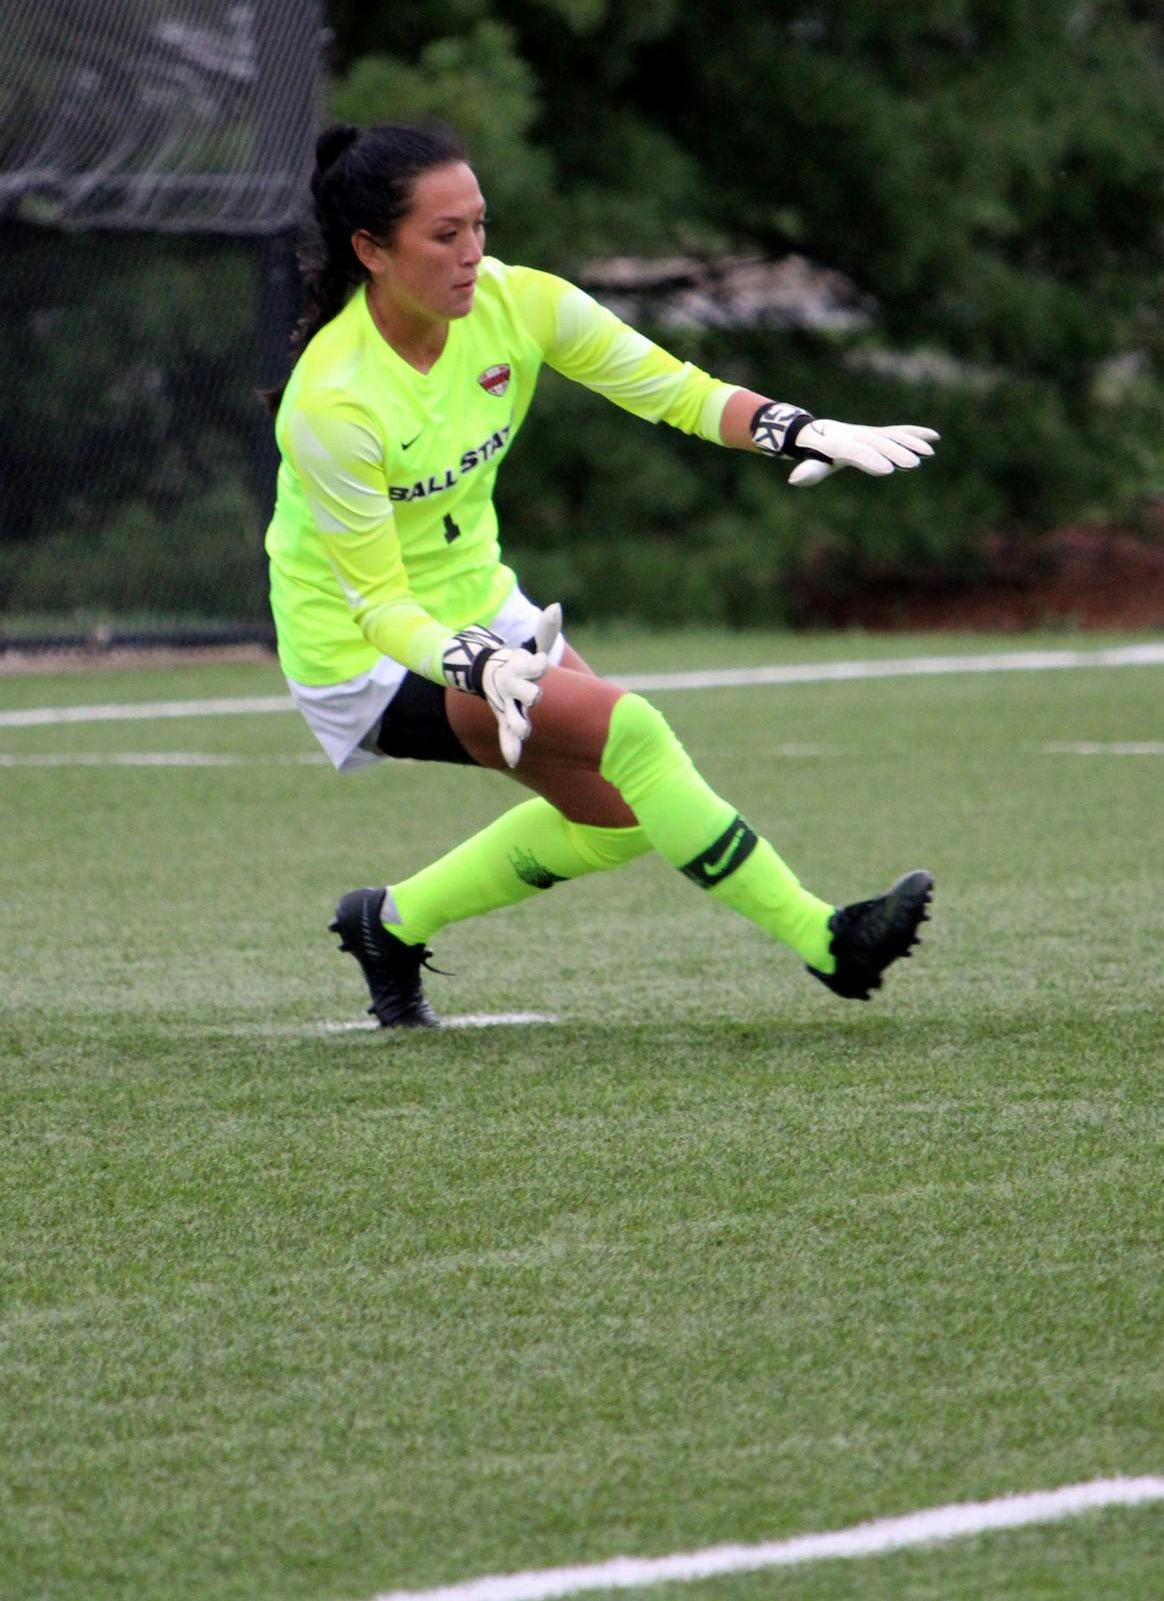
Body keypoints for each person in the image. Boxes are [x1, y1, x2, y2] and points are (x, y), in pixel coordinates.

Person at [264, 120, 940, 1028]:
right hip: (366, 657)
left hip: (481, 609)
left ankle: (387, 923)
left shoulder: (518, 304)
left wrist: (798, 428)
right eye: (444, 234)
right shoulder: (332, 399)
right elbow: (381, 605)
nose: (472, 253)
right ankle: (829, 943)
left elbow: (675, 390)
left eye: (479, 225)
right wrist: (478, 666)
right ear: (370, 251)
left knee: (617, 818)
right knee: (636, 732)